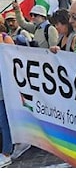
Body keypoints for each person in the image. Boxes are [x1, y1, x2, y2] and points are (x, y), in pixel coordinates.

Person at [0, 18, 14, 167]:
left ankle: (7, 152)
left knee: (5, 120)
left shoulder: (6, 38)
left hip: (4, 86)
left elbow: (12, 60)